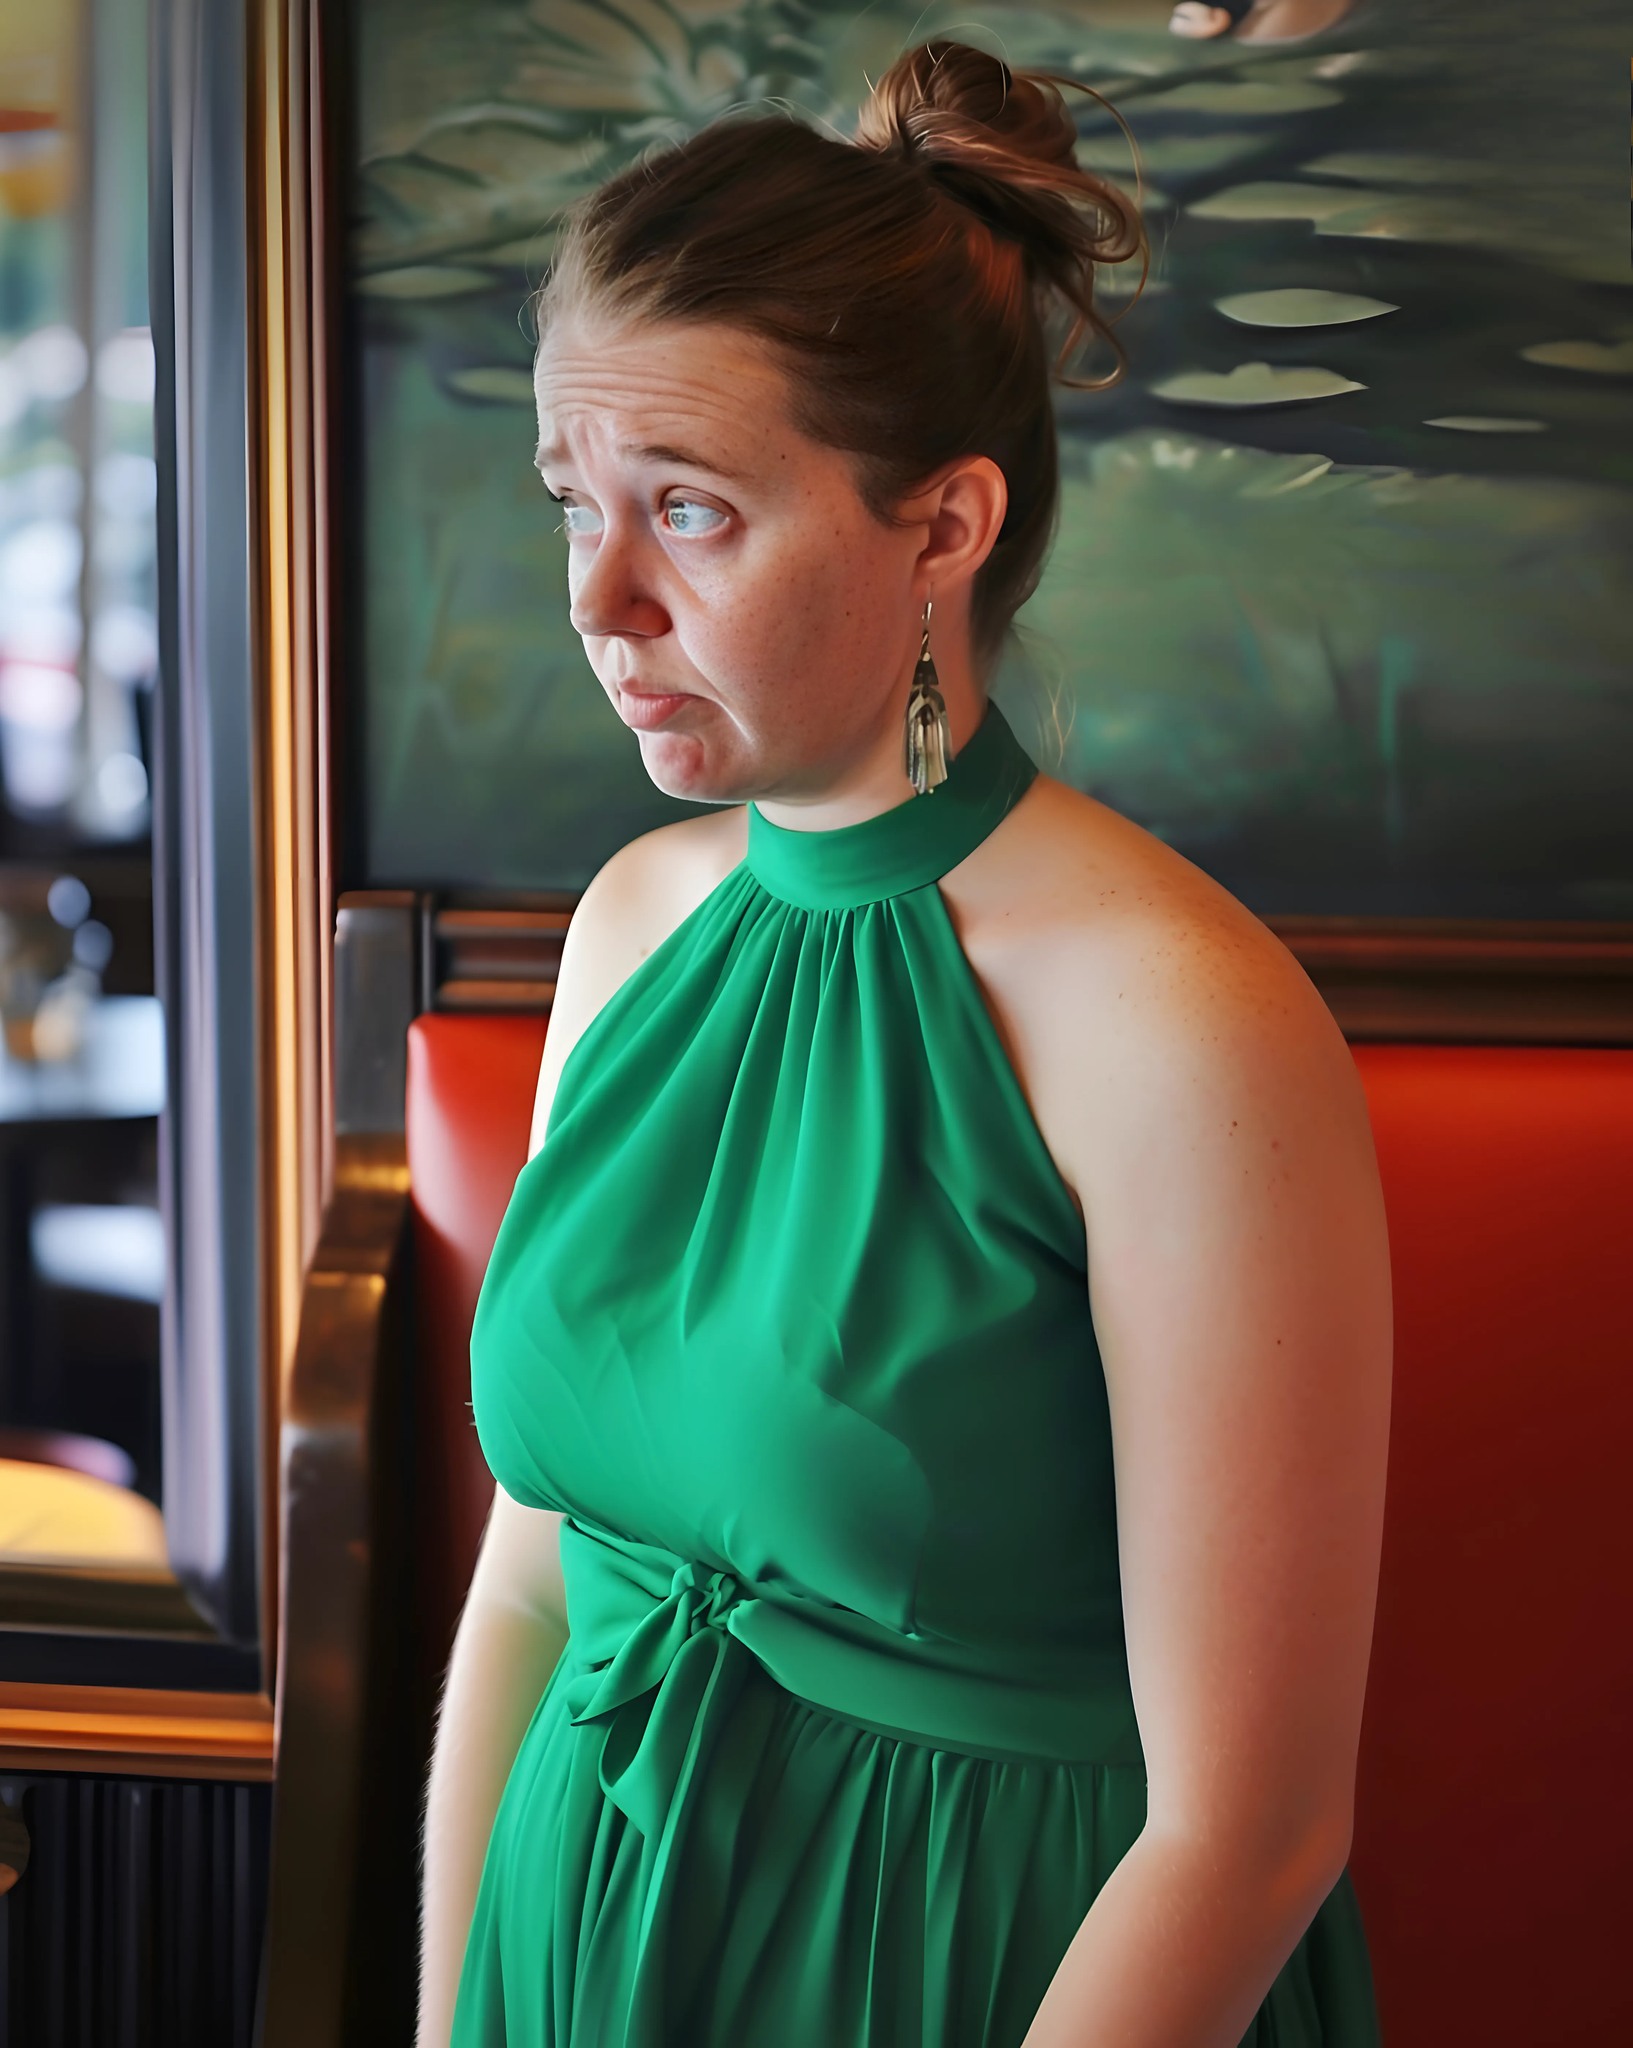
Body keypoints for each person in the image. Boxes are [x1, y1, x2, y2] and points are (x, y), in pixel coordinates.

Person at [419, 38, 1390, 2048]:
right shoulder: (629, 927)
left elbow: (1251, 1832)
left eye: (687, 511)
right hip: (574, 1946)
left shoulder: (1180, 1023)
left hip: (973, 1974)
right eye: (574, 504)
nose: (602, 599)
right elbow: (529, 1579)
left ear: (943, 526)